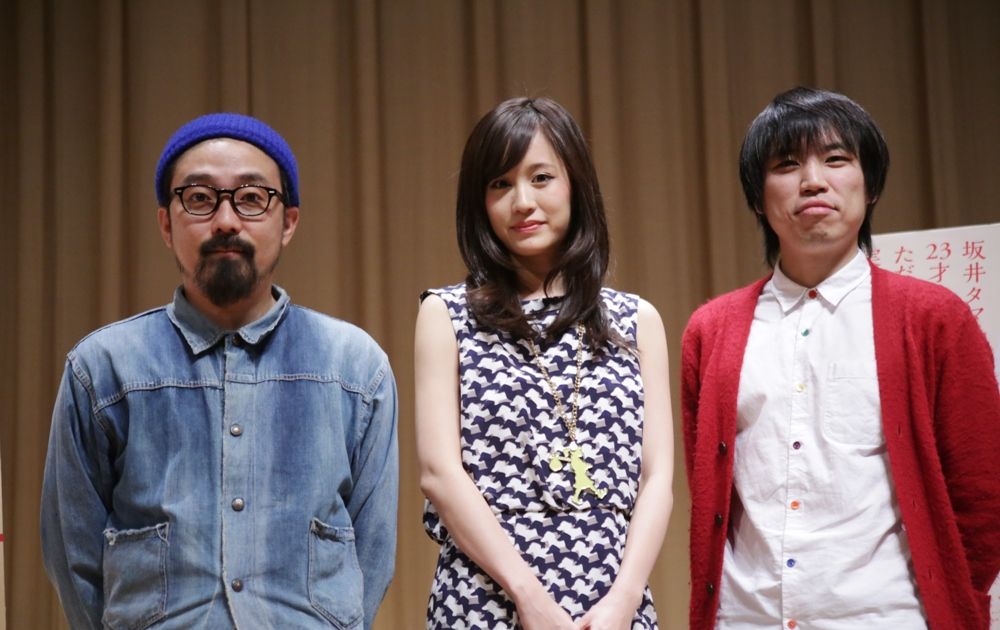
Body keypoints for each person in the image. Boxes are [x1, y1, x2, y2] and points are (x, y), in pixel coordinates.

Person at [40, 113, 398, 629]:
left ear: (288, 222)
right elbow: (72, 555)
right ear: (166, 224)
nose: (226, 220)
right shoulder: (102, 369)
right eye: (200, 198)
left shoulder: (356, 369)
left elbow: (374, 550)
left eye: (251, 198)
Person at [681, 86, 1000, 629]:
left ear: (869, 184)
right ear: (757, 197)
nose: (813, 180)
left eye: (835, 159)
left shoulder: (934, 318)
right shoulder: (711, 330)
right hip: (746, 618)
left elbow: (984, 494)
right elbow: (709, 490)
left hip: (889, 617)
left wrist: (951, 599)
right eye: (787, 164)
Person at [415, 96, 673, 629]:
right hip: (485, 600)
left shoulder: (637, 319)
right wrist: (527, 596)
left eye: (541, 178)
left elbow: (657, 479)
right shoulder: (446, 315)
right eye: (500, 184)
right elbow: (440, 474)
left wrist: (624, 600)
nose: (522, 202)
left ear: (575, 184)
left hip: (612, 604)